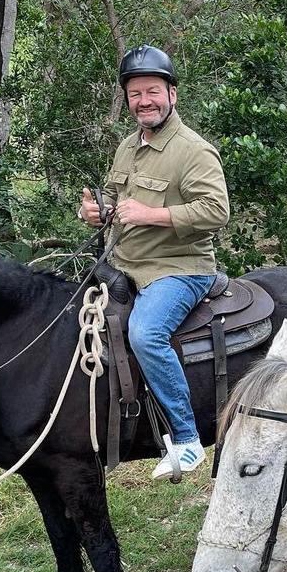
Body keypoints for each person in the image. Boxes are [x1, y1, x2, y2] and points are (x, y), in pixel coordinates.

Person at [79, 44, 229, 479]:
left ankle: (186, 440)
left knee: (145, 334)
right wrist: (95, 211)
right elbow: (112, 195)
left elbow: (216, 211)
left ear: (172, 95)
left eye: (152, 91)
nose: (143, 100)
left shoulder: (193, 151)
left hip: (178, 269)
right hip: (123, 262)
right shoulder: (128, 147)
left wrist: (153, 215)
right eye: (135, 93)